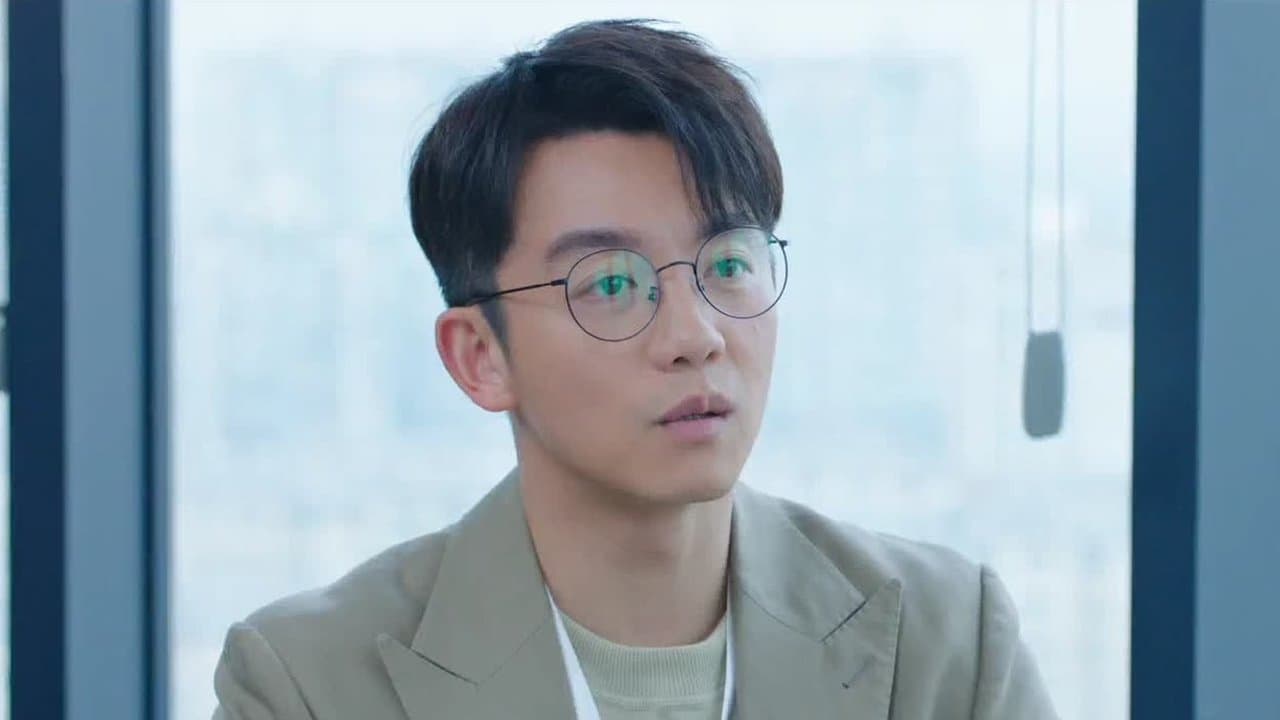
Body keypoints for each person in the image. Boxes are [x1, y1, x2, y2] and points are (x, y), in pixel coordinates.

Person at [212, 18, 1059, 720]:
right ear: (480, 357)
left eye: (729, 265)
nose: (696, 336)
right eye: (613, 284)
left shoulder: (947, 647)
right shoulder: (307, 684)